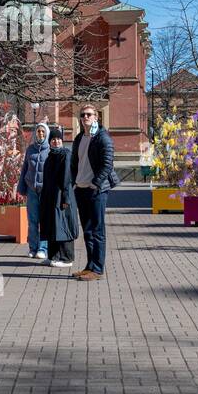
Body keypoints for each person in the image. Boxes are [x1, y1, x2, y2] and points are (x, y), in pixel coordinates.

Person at [71, 104, 116, 282]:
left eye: (89, 114)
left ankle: (97, 269)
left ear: (96, 117)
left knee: (97, 230)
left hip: (96, 190)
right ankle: (90, 266)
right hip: (80, 189)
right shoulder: (79, 138)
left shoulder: (102, 138)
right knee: (87, 231)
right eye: (83, 115)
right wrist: (75, 182)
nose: (85, 117)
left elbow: (107, 164)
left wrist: (95, 184)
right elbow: (74, 163)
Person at [37, 125, 78, 268]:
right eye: (53, 139)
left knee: (63, 225)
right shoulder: (50, 156)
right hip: (50, 197)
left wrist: (66, 198)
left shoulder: (65, 155)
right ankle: (53, 255)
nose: (56, 142)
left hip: (62, 196)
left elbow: (67, 178)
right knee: (52, 226)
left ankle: (67, 258)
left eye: (58, 139)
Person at [17, 123, 50, 260]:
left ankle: (43, 248)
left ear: (47, 133)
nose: (40, 134)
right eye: (38, 132)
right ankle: (33, 247)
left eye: (43, 132)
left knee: (44, 220)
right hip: (31, 189)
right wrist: (21, 187)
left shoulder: (50, 149)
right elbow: (24, 168)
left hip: (45, 190)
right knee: (32, 221)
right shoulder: (30, 149)